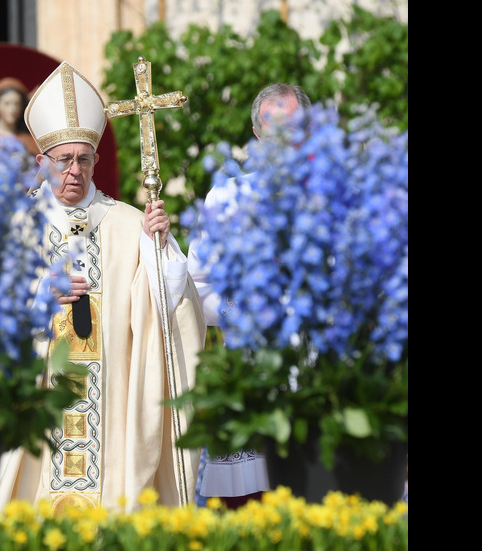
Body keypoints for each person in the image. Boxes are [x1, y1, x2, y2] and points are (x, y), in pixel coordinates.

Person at [0, 61, 207, 514]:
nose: (75, 170)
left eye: (84, 159)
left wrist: (159, 249)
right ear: (41, 163)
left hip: (111, 414)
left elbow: (168, 311)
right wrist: (37, 299)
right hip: (42, 399)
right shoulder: (14, 227)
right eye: (64, 159)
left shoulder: (130, 224)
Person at [188, 83, 312, 509]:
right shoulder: (227, 197)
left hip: (317, 372)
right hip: (251, 366)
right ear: (257, 133)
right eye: (272, 126)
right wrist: (239, 311)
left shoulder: (332, 195)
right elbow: (197, 286)